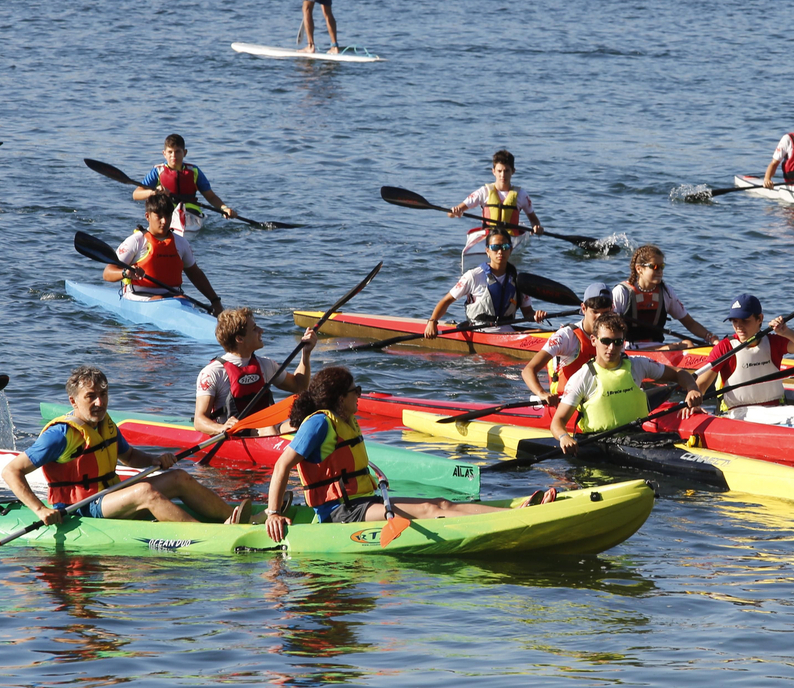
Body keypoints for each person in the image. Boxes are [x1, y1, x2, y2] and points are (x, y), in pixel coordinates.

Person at [263, 366, 542, 542]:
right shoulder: (320, 423)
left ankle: (512, 511)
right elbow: (281, 465)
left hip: (362, 502)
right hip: (341, 512)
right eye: (355, 391)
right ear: (339, 399)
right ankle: (511, 519)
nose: (359, 395)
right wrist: (273, 513)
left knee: (441, 503)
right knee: (427, 510)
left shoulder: (344, 420)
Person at [3, 365, 247, 526]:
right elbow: (11, 471)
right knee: (144, 492)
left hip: (111, 496)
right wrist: (39, 509)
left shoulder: (104, 423)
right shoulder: (60, 435)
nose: (100, 402)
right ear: (73, 401)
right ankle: (208, 535)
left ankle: (233, 519)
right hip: (80, 508)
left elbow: (128, 456)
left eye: (104, 394)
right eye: (91, 396)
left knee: (179, 477)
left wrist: (154, 461)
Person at [549, 313, 704, 455]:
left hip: (637, 436)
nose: (612, 348)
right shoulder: (582, 377)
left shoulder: (638, 365)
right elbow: (557, 422)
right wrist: (563, 437)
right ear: (594, 340)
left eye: (618, 342)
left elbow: (679, 373)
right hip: (598, 444)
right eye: (606, 341)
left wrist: (692, 388)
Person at [194, 308, 318, 435]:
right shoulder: (212, 372)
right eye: (254, 329)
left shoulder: (266, 364)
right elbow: (199, 420)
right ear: (240, 339)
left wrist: (306, 353)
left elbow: (299, 386)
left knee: (307, 423)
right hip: (235, 433)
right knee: (269, 429)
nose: (261, 330)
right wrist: (221, 428)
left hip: (267, 429)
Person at [104, 193, 225, 315]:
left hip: (173, 297)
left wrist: (215, 301)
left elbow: (196, 274)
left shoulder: (181, 243)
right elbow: (107, 273)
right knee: (160, 301)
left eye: (168, 216)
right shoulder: (136, 241)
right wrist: (125, 273)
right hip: (138, 296)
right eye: (159, 216)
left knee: (183, 301)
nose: (164, 221)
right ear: (148, 216)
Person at [694, 294, 794, 413]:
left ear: (760, 319)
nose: (739, 326)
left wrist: (786, 332)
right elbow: (702, 383)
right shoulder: (725, 348)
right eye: (734, 321)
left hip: (775, 411)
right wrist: (694, 403)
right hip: (735, 414)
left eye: (745, 320)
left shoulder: (773, 342)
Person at [424, 228, 544, 337]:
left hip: (508, 332)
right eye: (495, 247)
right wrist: (432, 321)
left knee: (539, 332)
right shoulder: (474, 276)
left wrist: (536, 315)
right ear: (487, 251)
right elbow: (446, 300)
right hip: (479, 331)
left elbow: (528, 313)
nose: (500, 251)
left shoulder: (518, 280)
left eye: (505, 247)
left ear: (510, 249)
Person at [521, 281, 614, 410]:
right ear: (583, 308)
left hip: (597, 402)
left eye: (605, 314)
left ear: (612, 309)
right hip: (565, 406)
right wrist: (542, 394)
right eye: (595, 312)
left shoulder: (614, 336)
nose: (599, 318)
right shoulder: (566, 336)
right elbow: (528, 370)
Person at [611, 244, 715, 346]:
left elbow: (690, 323)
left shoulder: (666, 292)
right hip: (627, 347)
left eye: (662, 267)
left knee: (688, 344)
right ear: (639, 269)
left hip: (657, 346)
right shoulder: (622, 292)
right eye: (655, 267)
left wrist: (711, 338)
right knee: (687, 345)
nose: (660, 271)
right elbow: (607, 327)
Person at [131, 134, 235, 231]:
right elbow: (136, 194)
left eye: (177, 151)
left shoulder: (194, 172)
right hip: (166, 213)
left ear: (184, 153)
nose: (173, 156)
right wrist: (154, 192)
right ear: (164, 154)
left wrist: (224, 208)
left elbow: (211, 197)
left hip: (191, 214)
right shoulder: (157, 172)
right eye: (170, 152)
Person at [450, 149, 545, 236]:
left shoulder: (521, 195)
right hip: (489, 237)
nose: (502, 175)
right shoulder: (483, 192)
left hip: (510, 238)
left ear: (513, 171)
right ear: (493, 171)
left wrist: (536, 227)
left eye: (506, 171)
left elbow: (533, 219)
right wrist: (455, 212)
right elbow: (450, 214)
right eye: (499, 171)